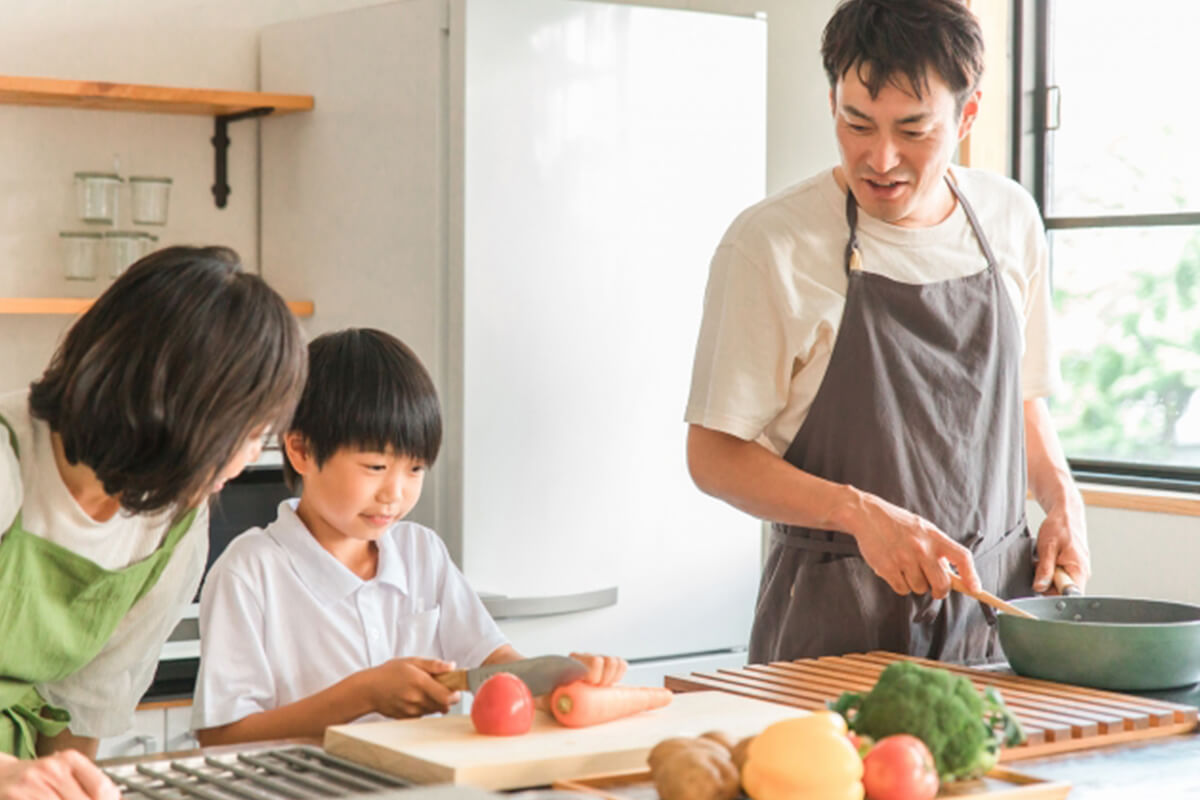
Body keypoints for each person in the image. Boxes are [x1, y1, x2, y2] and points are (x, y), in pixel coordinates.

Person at [684, 0, 1090, 666]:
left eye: (914, 129)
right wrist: (861, 515)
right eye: (855, 123)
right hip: (835, 627)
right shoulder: (770, 245)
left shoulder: (1009, 218)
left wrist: (1060, 498)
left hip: (996, 621)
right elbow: (713, 456)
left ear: (968, 114)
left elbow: (1020, 404)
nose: (880, 158)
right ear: (833, 101)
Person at [192, 328, 625, 746]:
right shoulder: (249, 572)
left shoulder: (422, 552)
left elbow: (493, 663)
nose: (394, 494)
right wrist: (362, 695)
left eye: (415, 469)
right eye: (375, 468)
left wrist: (558, 679)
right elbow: (222, 735)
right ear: (302, 451)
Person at [0, 246, 307, 798]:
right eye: (239, 436)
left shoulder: (175, 527)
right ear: (169, 407)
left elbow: (84, 708)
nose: (241, 464)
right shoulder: (8, 462)